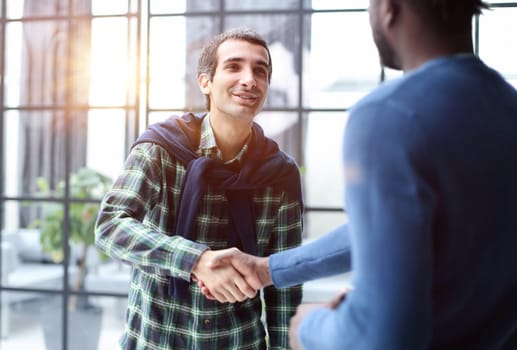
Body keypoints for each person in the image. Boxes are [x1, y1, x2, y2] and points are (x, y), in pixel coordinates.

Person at [199, 1, 517, 349]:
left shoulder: (388, 114)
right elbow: (392, 226)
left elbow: (382, 337)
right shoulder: (506, 105)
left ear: (389, 8)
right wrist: (267, 269)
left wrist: (308, 326)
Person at [94, 27, 304, 350]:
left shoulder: (281, 174)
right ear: (205, 82)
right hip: (155, 341)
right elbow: (109, 226)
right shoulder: (160, 149)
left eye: (260, 71)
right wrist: (195, 261)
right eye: (234, 66)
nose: (249, 79)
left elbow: (284, 286)